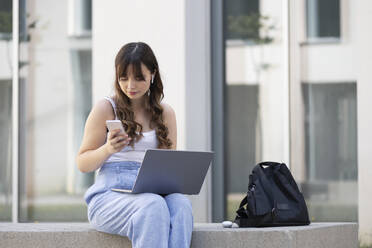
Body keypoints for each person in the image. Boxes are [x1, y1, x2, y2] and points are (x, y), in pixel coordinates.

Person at [76, 42, 193, 248]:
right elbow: (83, 164)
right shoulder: (106, 108)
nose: (130, 85)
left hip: (152, 191)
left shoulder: (165, 113)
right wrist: (108, 149)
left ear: (153, 75)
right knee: (152, 205)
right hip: (109, 196)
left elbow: (168, 168)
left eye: (139, 78)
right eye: (124, 77)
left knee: (181, 205)